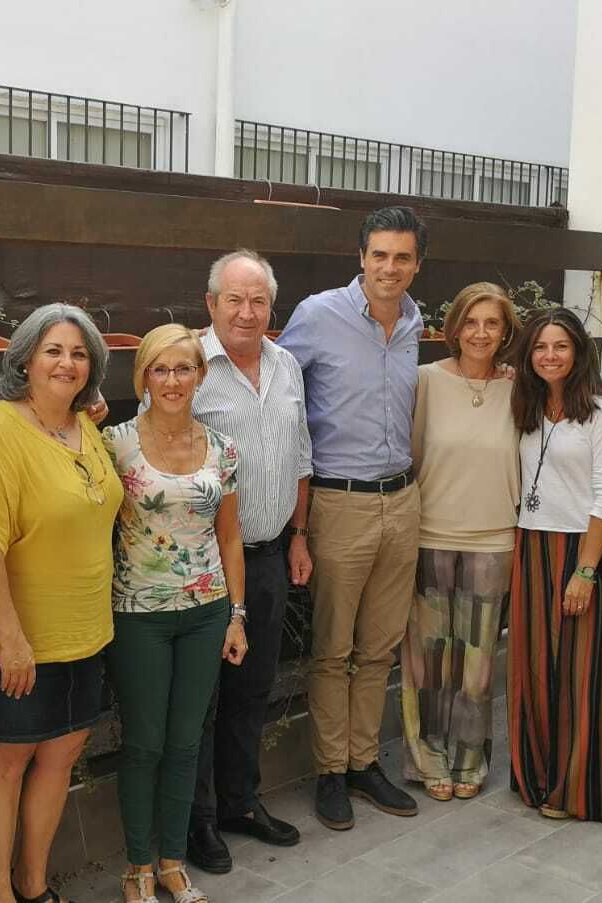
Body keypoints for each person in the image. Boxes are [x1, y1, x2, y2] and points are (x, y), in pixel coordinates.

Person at [0, 303, 123, 903]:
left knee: (59, 761)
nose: (67, 363)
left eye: (79, 354)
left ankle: (34, 886)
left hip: (87, 634)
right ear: (25, 358)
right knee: (7, 764)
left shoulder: (88, 429)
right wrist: (13, 639)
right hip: (20, 643)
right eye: (53, 350)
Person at [277, 206, 426, 831]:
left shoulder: (417, 320)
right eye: (379, 255)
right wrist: (298, 526)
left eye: (402, 257)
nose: (389, 268)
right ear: (360, 257)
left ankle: (365, 763)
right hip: (338, 503)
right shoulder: (317, 316)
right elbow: (274, 386)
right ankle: (330, 773)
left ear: (418, 264)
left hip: (404, 500)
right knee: (332, 649)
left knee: (380, 648)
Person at [103, 324, 248, 903]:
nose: (172, 380)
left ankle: (171, 862)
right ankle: (136, 865)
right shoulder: (114, 443)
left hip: (206, 612)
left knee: (186, 742)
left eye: (183, 368)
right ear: (142, 377)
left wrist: (237, 615)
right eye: (159, 369)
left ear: (200, 375)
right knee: (144, 742)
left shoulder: (222, 447)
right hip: (137, 614)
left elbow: (231, 537)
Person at [185, 250, 311, 874]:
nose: (245, 311)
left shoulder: (287, 365)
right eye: (233, 299)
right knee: (203, 698)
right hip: (204, 563)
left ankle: (240, 801)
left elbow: (302, 456)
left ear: (272, 307)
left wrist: (300, 535)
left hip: (267, 558)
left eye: (257, 300)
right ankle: (198, 820)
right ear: (211, 304)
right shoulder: (188, 367)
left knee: (251, 690)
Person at [401, 283, 520, 803]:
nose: (480, 333)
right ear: (454, 328)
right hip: (429, 533)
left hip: (495, 538)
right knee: (427, 660)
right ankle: (428, 759)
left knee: (476, 662)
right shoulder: (425, 381)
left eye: (491, 323)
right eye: (471, 322)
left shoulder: (521, 388)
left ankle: (470, 759)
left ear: (506, 331)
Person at [506, 306, 602, 823]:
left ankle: (573, 789)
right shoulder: (527, 404)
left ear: (578, 352)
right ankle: (534, 775)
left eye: (560, 346)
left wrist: (586, 570)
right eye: (539, 347)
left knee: (576, 676)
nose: (549, 356)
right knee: (533, 670)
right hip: (530, 546)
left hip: (580, 551)